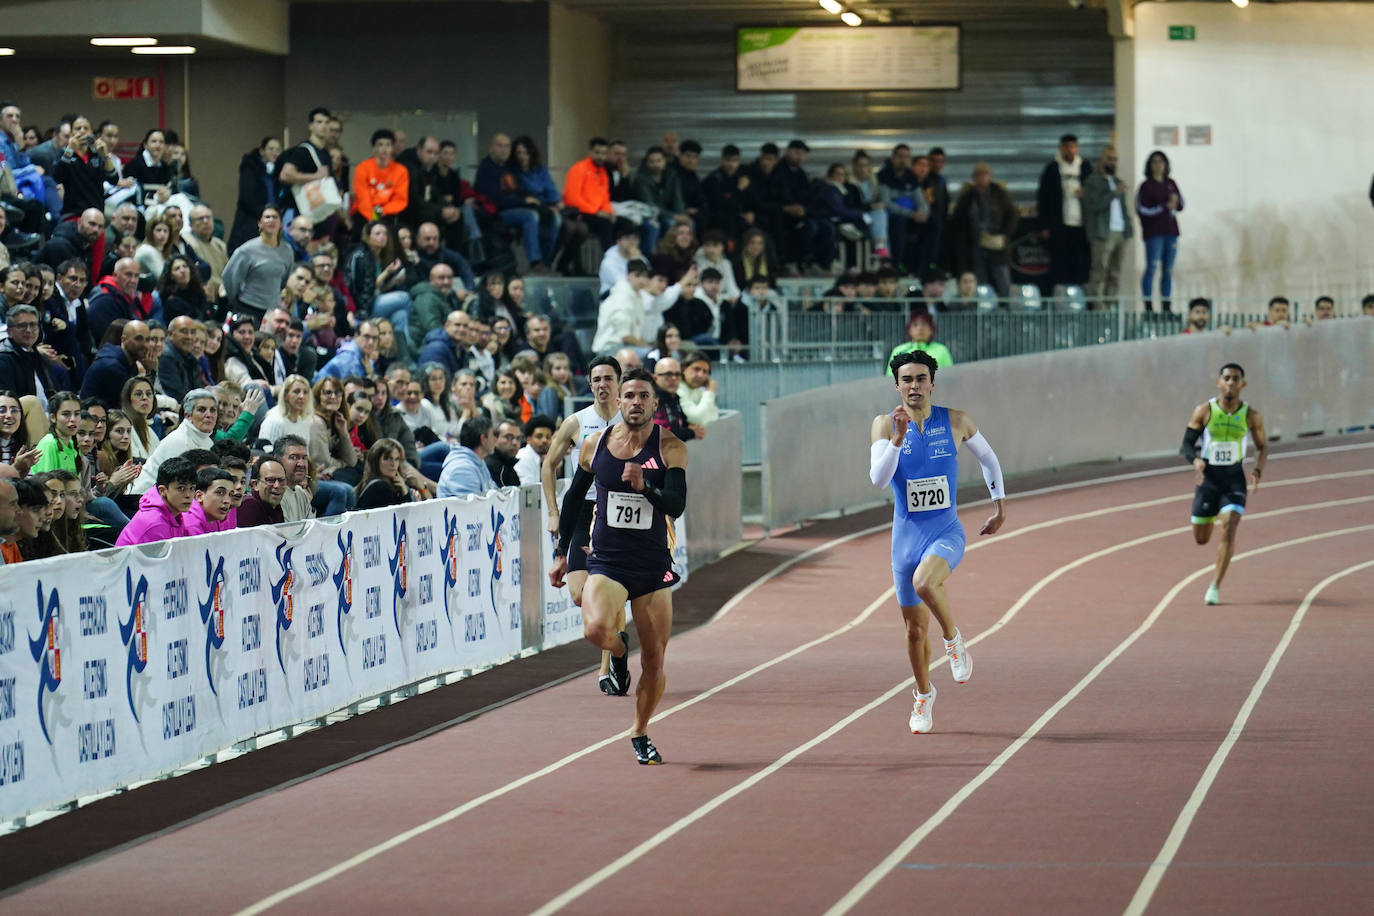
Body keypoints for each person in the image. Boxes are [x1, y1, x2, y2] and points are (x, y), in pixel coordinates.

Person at [549, 367, 688, 765]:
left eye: (644, 396)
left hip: (651, 564)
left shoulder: (671, 447)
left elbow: (677, 504)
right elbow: (575, 497)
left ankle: (640, 731)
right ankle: (618, 648)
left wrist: (648, 487)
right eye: (630, 396)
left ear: (654, 404)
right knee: (595, 629)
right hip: (607, 560)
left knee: (656, 660)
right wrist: (562, 552)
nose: (636, 403)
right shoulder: (596, 445)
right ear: (620, 401)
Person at [868, 351, 1007, 734]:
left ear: (932, 382)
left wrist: (1000, 505)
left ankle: (954, 639)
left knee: (926, 582)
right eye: (907, 379)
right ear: (897, 385)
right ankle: (924, 695)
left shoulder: (957, 421)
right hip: (905, 540)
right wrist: (897, 440)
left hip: (945, 531)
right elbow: (879, 480)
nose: (914, 386)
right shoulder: (884, 424)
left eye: (921, 378)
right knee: (914, 632)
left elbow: (990, 461)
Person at [542, 355, 623, 692]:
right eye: (596, 379)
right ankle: (617, 640)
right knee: (579, 594)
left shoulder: (629, 419)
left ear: (618, 383)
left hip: (615, 513)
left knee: (609, 591)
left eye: (608, 378)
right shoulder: (577, 422)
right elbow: (548, 465)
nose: (602, 384)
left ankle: (608, 670)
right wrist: (553, 512)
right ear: (589, 385)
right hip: (581, 510)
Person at [1180, 363, 1268, 606]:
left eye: (1235, 379)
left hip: (1234, 480)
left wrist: (1258, 470)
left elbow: (1262, 447)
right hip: (1209, 481)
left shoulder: (1251, 416)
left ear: (1243, 384)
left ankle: (1214, 586)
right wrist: (1195, 460)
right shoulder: (1205, 411)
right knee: (1201, 538)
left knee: (1229, 527)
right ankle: (1206, 518)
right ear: (1219, 383)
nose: (1230, 383)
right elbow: (1186, 445)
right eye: (1226, 378)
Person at [1036, 133, 1094, 290]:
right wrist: (1044, 226)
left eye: (1073, 147)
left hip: (1081, 225)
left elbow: (1095, 192)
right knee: (1059, 262)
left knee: (1080, 262)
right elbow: (1043, 198)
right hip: (1059, 225)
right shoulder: (1052, 169)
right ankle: (1059, 296)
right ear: (1061, 149)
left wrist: (1085, 193)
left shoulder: (1085, 167)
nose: (1070, 150)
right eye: (1067, 147)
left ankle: (1079, 296)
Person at [221, 205, 294, 323]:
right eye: (267, 217)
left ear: (281, 223)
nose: (271, 220)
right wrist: (236, 300)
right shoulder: (246, 250)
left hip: (272, 311)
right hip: (247, 307)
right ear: (259, 223)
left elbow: (284, 280)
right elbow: (229, 278)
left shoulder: (287, 251)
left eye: (275, 217)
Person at [1082, 146, 1132, 309]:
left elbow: (1123, 207)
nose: (1112, 162)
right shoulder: (1092, 181)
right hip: (1102, 232)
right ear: (1101, 160)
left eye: (1115, 159)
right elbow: (1093, 205)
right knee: (1099, 271)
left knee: (1115, 272)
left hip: (1120, 231)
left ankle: (1109, 305)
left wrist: (1128, 228)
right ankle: (1097, 306)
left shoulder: (1117, 182)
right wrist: (1113, 193)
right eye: (1109, 158)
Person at [1136, 150, 1184, 315]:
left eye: (1161, 162)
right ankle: (1148, 305)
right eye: (1154, 162)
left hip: (1171, 231)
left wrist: (1175, 203)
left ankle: (1166, 305)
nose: (1158, 165)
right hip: (1154, 233)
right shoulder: (1145, 186)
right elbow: (1143, 210)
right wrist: (1164, 206)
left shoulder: (1171, 183)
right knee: (1152, 267)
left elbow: (1181, 204)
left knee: (1168, 269)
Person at [114, 455, 197, 546]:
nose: (188, 495)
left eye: (192, 488)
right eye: (181, 488)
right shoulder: (154, 523)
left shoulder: (176, 514)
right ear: (163, 490)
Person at [437, 414, 496, 497]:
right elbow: (472, 507)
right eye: (493, 435)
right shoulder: (462, 469)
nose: (495, 439)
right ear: (483, 439)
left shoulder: (479, 462)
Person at [887, 312, 954, 374]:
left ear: (931, 329)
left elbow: (950, 375)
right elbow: (890, 378)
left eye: (924, 324)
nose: (920, 328)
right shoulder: (899, 350)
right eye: (915, 325)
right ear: (909, 330)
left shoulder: (942, 350)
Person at [183, 467, 236, 536]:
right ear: (199, 496)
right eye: (220, 493)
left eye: (230, 495)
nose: (227, 501)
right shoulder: (191, 525)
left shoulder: (214, 518)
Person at [238, 457, 287, 527]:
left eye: (281, 480)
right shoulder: (249, 506)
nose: (277, 485)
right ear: (255, 484)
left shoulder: (275, 507)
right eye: (270, 480)